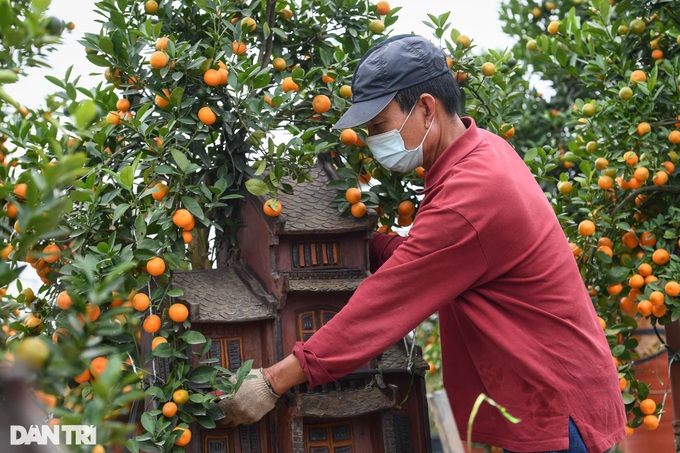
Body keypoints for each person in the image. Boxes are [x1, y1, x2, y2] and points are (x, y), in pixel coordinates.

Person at [218, 34, 626, 452]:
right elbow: (437, 262)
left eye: (379, 127)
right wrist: (362, 244)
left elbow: (388, 300)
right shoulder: (482, 151)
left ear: (426, 108)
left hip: (555, 409)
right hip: (550, 394)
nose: (375, 141)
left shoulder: (472, 193)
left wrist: (272, 381)